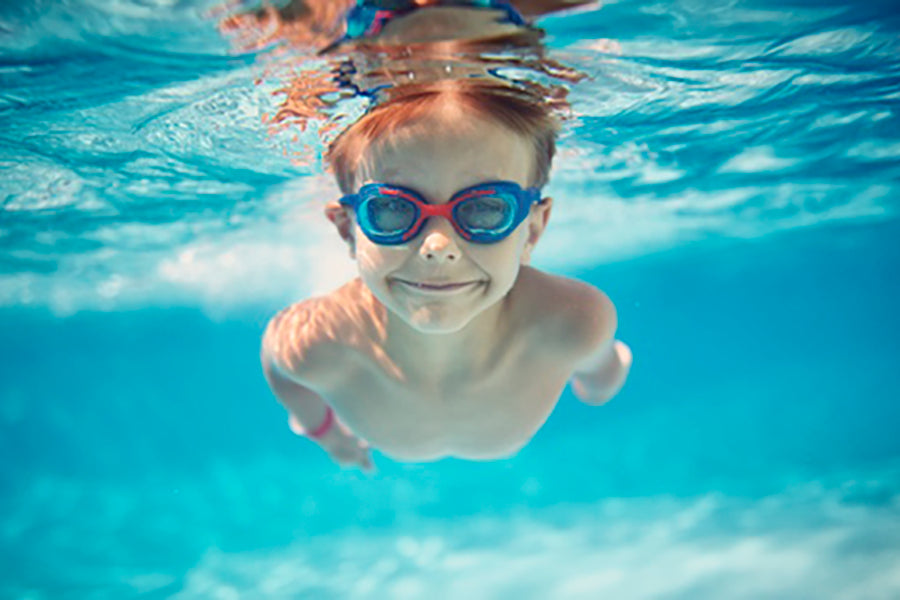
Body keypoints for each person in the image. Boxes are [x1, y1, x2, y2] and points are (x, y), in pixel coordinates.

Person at [261, 80, 632, 471]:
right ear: (347, 229)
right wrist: (325, 433)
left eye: (486, 208)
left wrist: (599, 386)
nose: (437, 246)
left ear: (533, 230)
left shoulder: (574, 321)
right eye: (391, 210)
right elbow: (278, 366)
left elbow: (601, 370)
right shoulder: (316, 343)